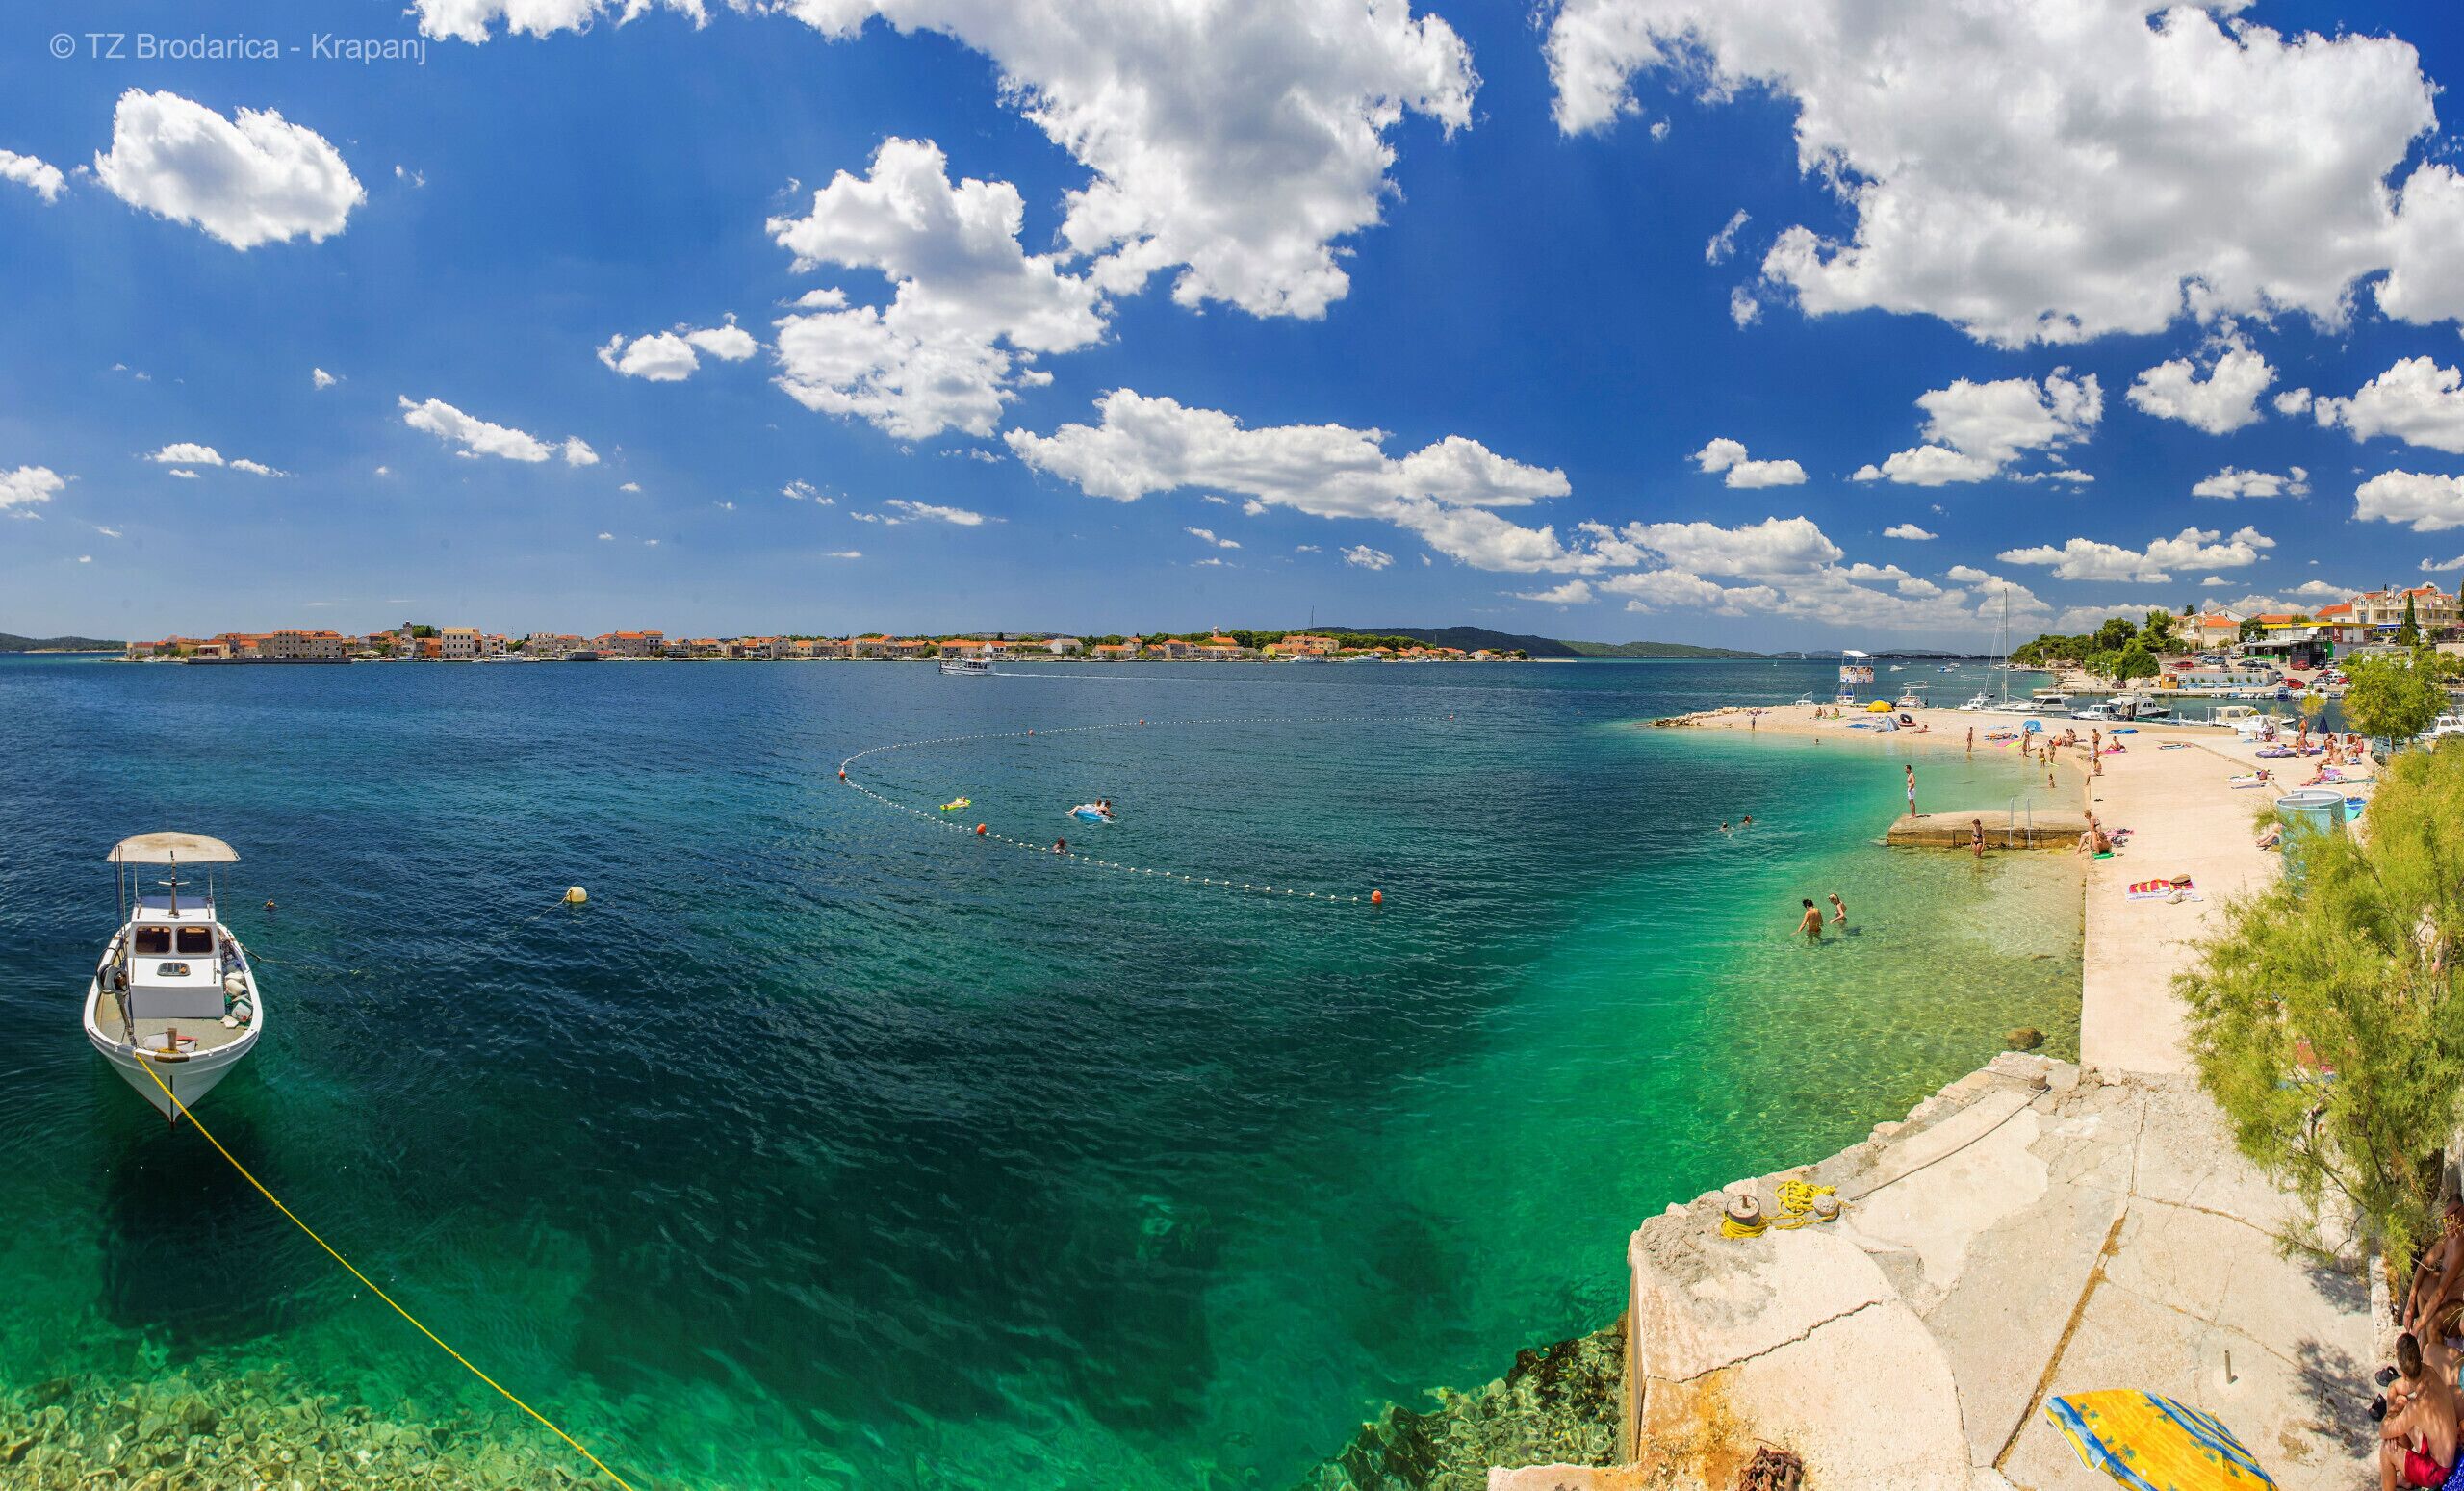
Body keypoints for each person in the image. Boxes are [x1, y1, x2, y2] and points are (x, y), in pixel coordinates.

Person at [2379, 1322, 2460, 1491]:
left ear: (2403, 1372)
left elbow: (2383, 1430)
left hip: (2438, 1471)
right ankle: (2405, 1477)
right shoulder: (2429, 1371)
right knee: (2399, 1405)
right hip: (2439, 1452)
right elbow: (2394, 1387)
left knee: (2387, 1449)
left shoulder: (2416, 1408)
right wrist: (2396, 1404)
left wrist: (2396, 1408)